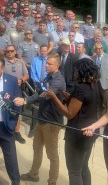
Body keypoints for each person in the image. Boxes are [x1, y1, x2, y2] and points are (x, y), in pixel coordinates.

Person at [45, 58, 102, 185]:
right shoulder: (94, 84)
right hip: (91, 130)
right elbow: (85, 105)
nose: (74, 73)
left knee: (74, 172)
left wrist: (54, 98)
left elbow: (69, 114)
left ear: (82, 71)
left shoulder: (81, 88)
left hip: (78, 134)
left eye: (76, 70)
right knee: (83, 166)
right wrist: (69, 98)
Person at [19, 54, 65, 184]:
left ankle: (52, 181)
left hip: (51, 122)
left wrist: (26, 100)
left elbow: (44, 95)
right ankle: (33, 175)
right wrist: (29, 97)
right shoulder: (48, 77)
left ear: (57, 65)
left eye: (50, 64)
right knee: (37, 149)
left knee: (52, 155)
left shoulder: (58, 80)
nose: (46, 65)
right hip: (41, 119)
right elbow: (39, 90)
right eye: (46, 63)